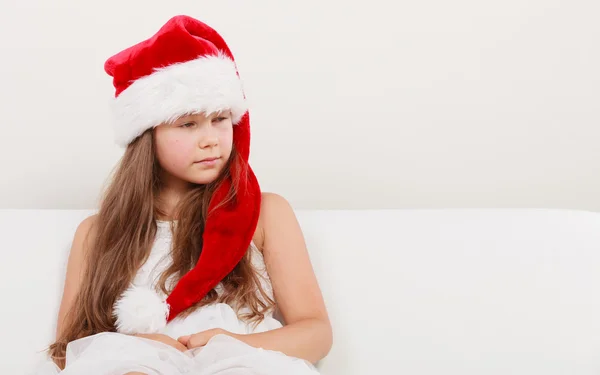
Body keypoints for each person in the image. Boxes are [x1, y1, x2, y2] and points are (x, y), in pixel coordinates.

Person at [36, 14, 332, 375]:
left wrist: (226, 345)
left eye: (221, 119)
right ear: (147, 135)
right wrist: (140, 345)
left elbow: (315, 333)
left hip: (243, 361)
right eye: (188, 124)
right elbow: (69, 348)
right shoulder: (97, 233)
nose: (211, 139)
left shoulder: (265, 213)